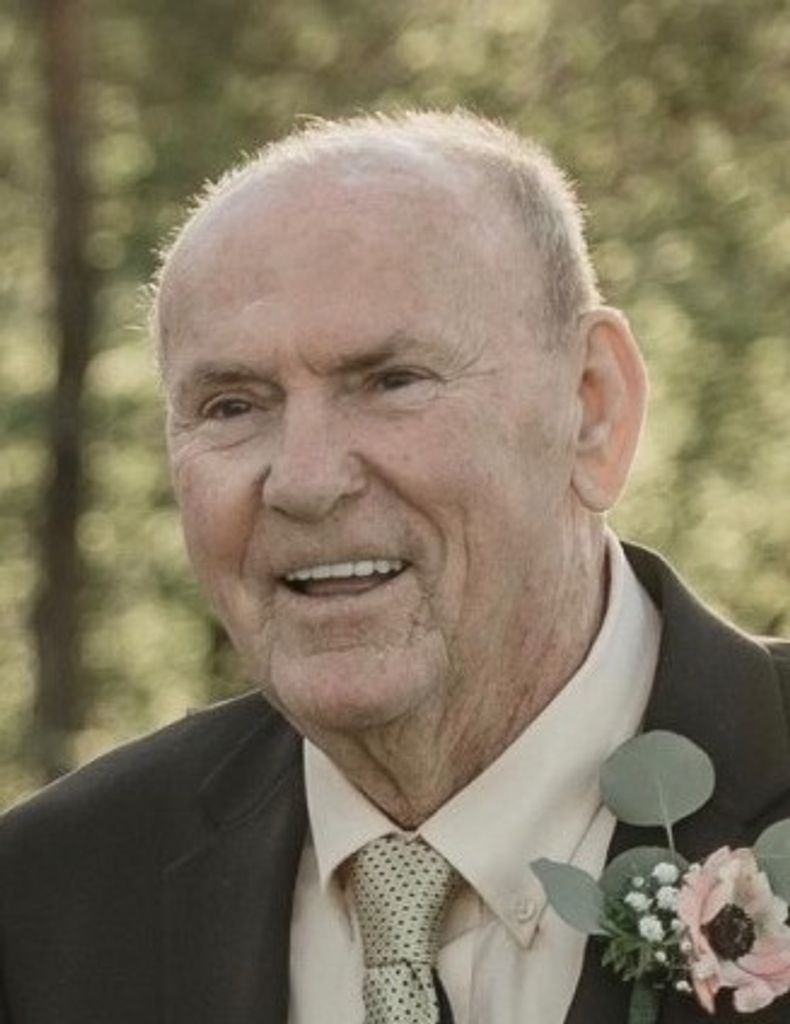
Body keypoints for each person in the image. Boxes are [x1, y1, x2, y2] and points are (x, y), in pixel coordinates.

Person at [1, 110, 789, 1024]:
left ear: (592, 409)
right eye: (231, 406)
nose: (304, 481)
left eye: (391, 382)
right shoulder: (42, 904)